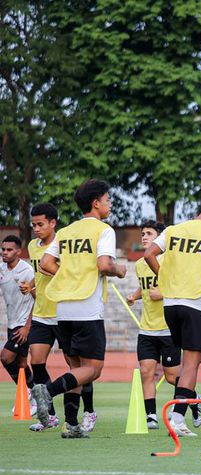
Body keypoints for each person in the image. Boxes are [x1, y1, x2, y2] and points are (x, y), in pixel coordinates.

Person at [31, 179, 128, 438]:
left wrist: (69, 276)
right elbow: (105, 264)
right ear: (96, 203)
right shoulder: (103, 230)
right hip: (87, 307)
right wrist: (120, 270)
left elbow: (46, 263)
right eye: (107, 200)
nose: (109, 204)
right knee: (93, 370)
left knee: (76, 370)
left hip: (62, 309)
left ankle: (71, 424)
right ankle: (47, 391)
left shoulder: (66, 231)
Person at [144, 197, 201, 437]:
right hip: (194, 303)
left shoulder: (173, 230)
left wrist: (165, 280)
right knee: (192, 363)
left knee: (185, 363)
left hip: (170, 305)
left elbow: (149, 254)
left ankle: (182, 409)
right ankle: (178, 418)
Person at [126, 220, 201, 430]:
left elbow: (181, 287)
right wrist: (134, 296)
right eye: (142, 234)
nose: (144, 237)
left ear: (159, 238)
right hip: (146, 328)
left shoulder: (171, 260)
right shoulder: (141, 263)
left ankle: (193, 399)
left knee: (171, 377)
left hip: (168, 329)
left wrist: (164, 293)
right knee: (146, 371)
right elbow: (145, 287)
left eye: (149, 233)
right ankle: (151, 416)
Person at [21, 203, 67, 431]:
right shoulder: (32, 245)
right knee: (37, 362)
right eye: (33, 225)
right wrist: (29, 285)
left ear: (53, 223)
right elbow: (38, 274)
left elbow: (64, 274)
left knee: (75, 365)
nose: (36, 229)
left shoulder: (63, 245)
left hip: (63, 312)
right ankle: (49, 416)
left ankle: (85, 412)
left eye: (40, 224)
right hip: (41, 313)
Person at [1, 235, 35, 410]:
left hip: (23, 324)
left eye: (9, 250)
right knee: (21, 364)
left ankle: (27, 391)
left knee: (5, 357)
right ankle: (36, 395)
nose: (5, 253)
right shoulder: (1, 269)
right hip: (12, 323)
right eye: (3, 249)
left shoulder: (27, 271)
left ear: (18, 252)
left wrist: (27, 327)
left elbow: (37, 299)